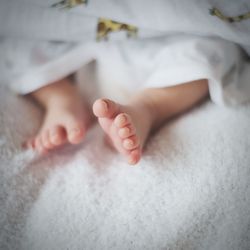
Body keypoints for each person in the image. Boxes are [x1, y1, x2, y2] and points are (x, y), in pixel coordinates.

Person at [1, 0, 250, 164]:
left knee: (209, 53)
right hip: (70, 35)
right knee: (13, 41)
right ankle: (59, 96)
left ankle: (147, 107)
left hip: (167, 36)